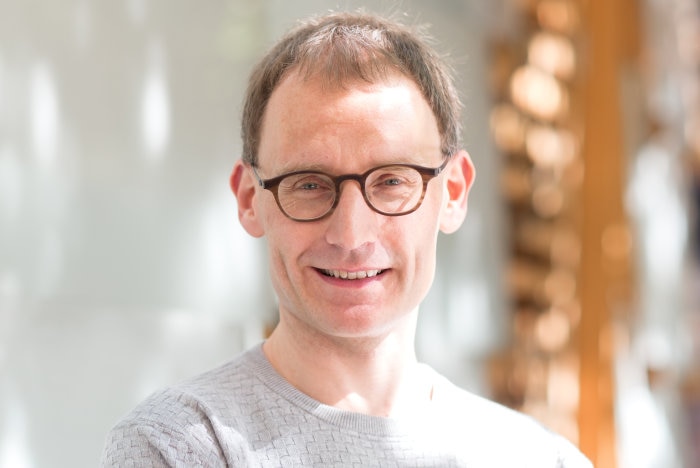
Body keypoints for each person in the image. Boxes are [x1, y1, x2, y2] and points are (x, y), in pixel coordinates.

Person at [101, 11, 593, 467]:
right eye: (310, 185)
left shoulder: (540, 458)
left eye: (393, 181)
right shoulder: (178, 446)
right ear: (251, 199)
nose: (351, 235)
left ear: (455, 192)